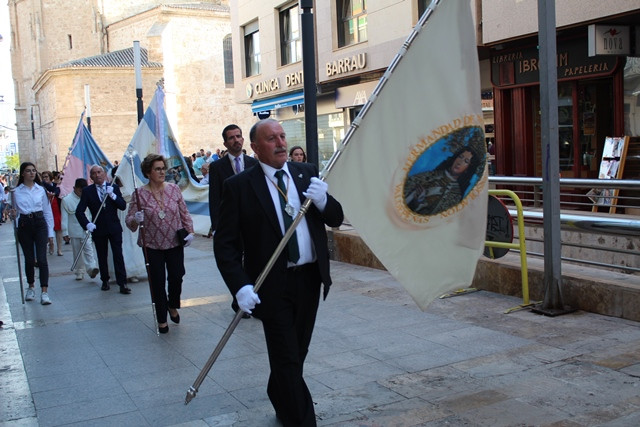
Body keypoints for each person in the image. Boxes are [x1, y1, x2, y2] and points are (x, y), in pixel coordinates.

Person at [214, 119, 344, 426]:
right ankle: (301, 420)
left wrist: (324, 200)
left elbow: (336, 218)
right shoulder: (239, 187)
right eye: (272, 139)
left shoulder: (306, 174)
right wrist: (240, 286)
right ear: (256, 148)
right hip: (271, 285)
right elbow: (226, 246)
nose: (281, 142)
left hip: (309, 280)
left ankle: (278, 391)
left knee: (297, 352)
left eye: (283, 136)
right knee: (286, 358)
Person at [126, 154, 194, 333]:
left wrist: (190, 232)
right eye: (157, 169)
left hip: (174, 242)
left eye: (163, 168)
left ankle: (172, 304)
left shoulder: (173, 189)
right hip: (152, 244)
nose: (162, 171)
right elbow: (129, 222)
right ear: (148, 172)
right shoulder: (139, 194)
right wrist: (135, 218)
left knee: (177, 276)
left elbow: (184, 212)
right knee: (157, 281)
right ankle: (162, 318)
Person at [209, 124, 258, 317]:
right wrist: (217, 226)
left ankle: (253, 297)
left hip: (252, 224)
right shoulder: (217, 167)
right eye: (232, 138)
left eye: (239, 136)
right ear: (225, 143)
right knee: (235, 261)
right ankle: (238, 296)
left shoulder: (254, 163)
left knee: (254, 261)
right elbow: (214, 198)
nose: (236, 140)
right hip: (230, 225)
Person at [75, 164, 132, 294]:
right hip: (98, 228)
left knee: (118, 255)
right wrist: (87, 224)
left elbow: (122, 206)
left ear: (104, 174)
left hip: (114, 228)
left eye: (99, 172)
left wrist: (113, 196)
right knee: (102, 255)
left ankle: (122, 282)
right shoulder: (87, 191)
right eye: (94, 173)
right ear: (91, 177)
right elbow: (79, 211)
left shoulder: (114, 188)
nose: (97, 175)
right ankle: (105, 280)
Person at [11, 162, 55, 304]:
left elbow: (47, 211)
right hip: (24, 224)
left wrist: (50, 233)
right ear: (23, 173)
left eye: (33, 171)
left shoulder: (40, 190)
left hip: (39, 222)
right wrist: (12, 214)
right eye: (28, 171)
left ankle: (44, 291)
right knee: (30, 259)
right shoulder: (16, 192)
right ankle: (31, 286)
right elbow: (13, 213)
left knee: (42, 259)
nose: (31, 173)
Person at [403, 147, 481, 215]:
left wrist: (418, 201)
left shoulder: (455, 195)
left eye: (466, 161)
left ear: (468, 169)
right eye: (460, 157)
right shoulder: (430, 175)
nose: (459, 162)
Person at [61, 178, 99, 281]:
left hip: (87, 228)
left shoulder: (88, 197)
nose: (81, 193)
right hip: (74, 229)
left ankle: (91, 268)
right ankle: (79, 271)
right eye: (80, 191)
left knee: (88, 249)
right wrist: (65, 232)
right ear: (74, 188)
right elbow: (64, 217)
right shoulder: (66, 200)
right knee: (77, 251)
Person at [41, 170, 64, 255]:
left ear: (50, 177)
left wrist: (54, 193)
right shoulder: (41, 187)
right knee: (46, 229)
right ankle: (50, 243)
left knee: (58, 230)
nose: (44, 179)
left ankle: (59, 249)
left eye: (46, 177)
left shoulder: (55, 185)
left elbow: (57, 191)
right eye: (43, 177)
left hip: (56, 209)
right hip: (46, 210)